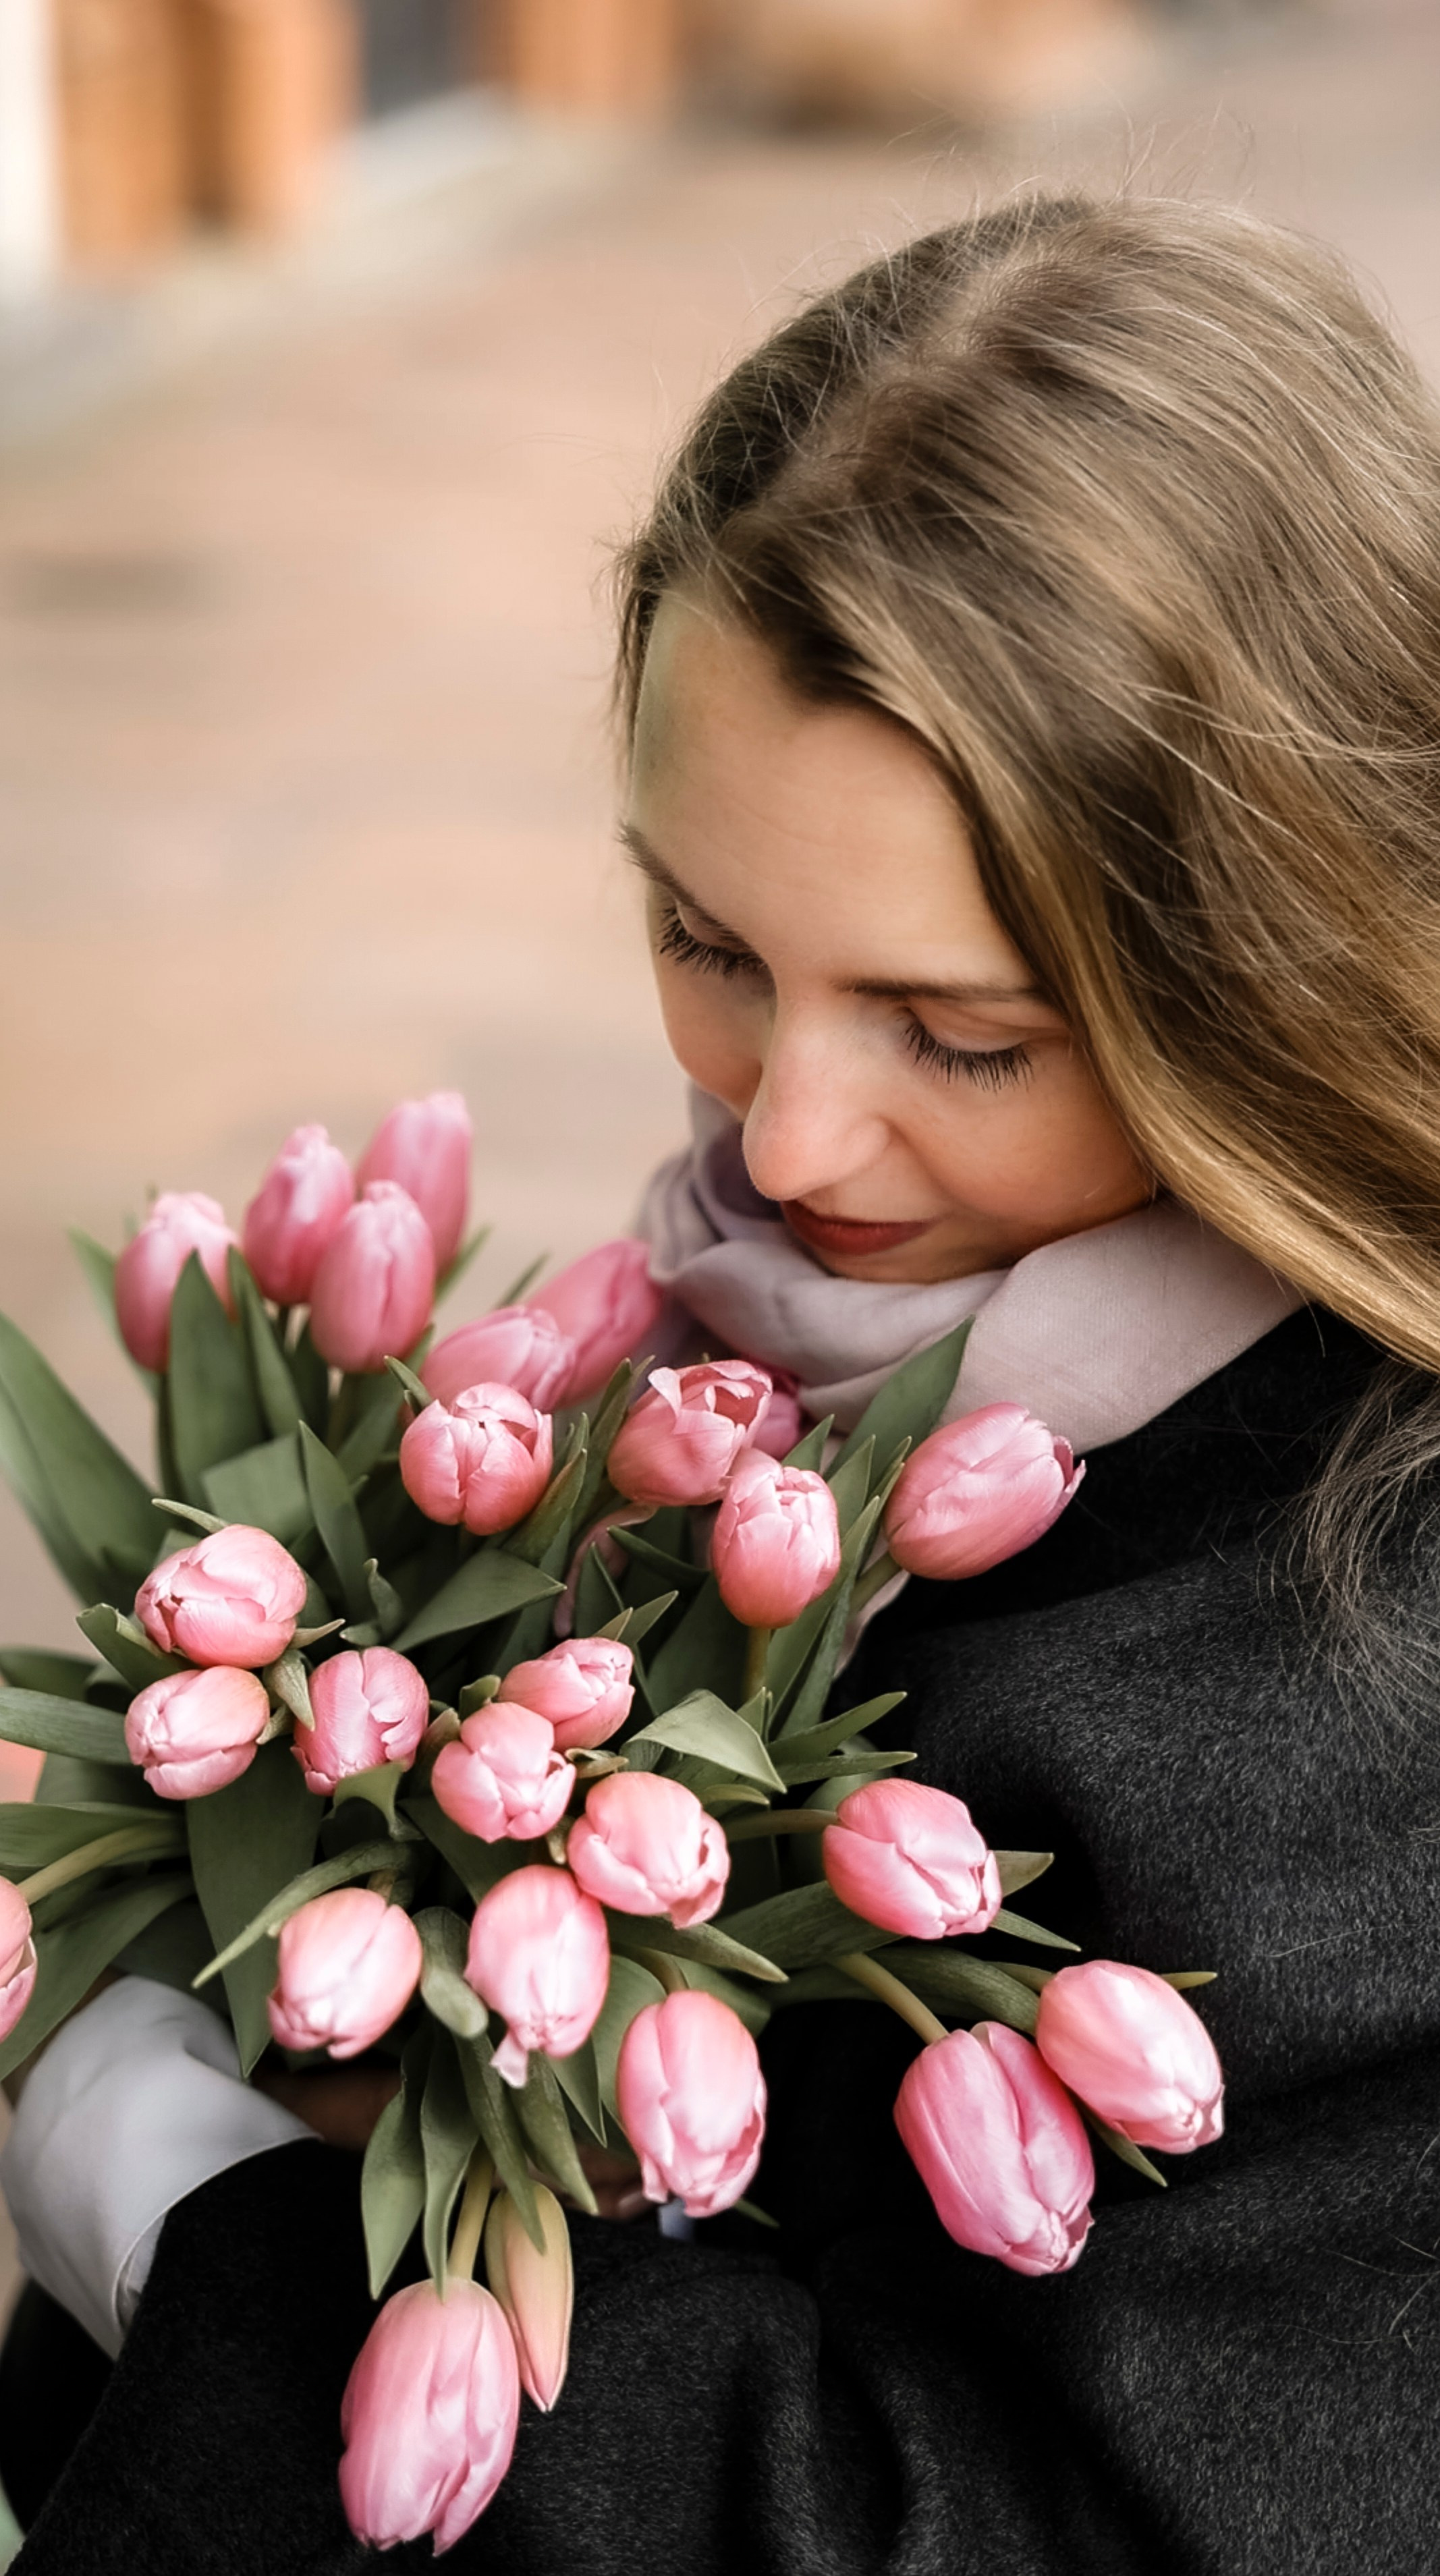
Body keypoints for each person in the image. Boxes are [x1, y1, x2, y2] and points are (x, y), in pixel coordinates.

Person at [4, 190, 1440, 2572]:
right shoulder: (793, 1345)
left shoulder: (1373, 1694)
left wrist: (216, 2263)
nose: (779, 1141)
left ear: (1275, 968)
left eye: (960, 1034)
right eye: (706, 938)